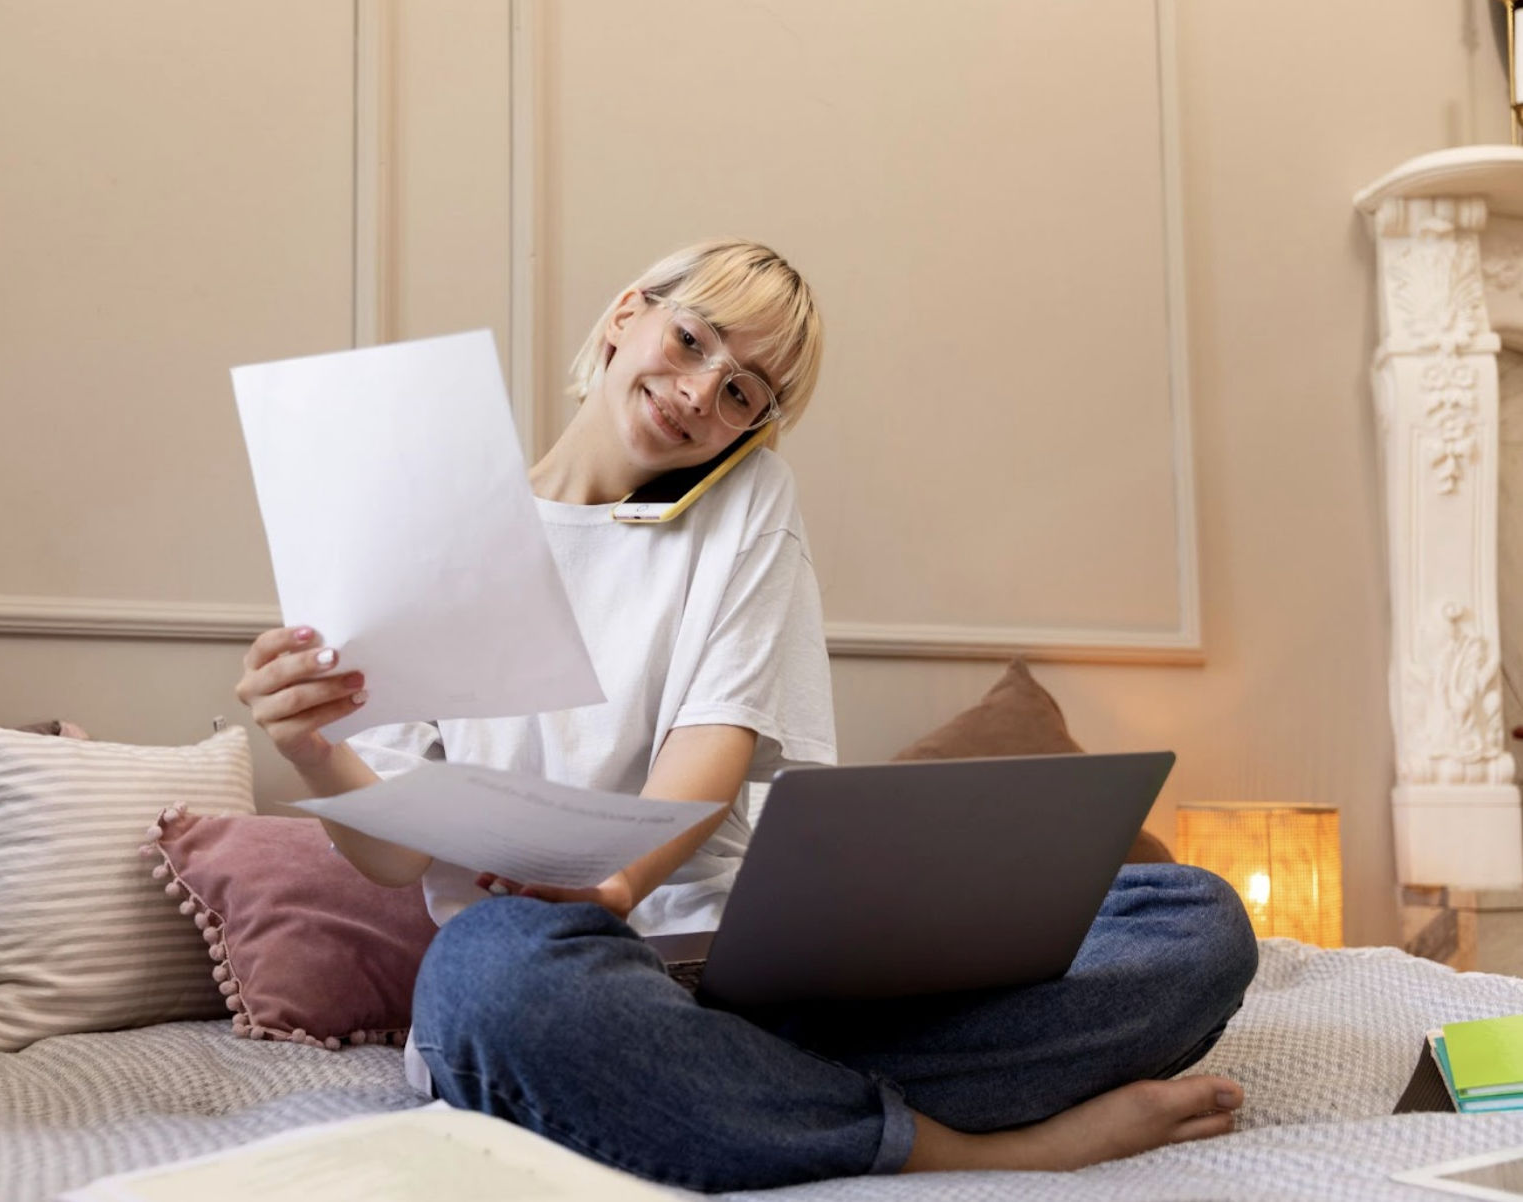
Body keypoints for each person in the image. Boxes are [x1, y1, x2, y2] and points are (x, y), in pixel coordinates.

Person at [235, 238, 1259, 1192]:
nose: (695, 393)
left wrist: (616, 882)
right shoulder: (423, 518)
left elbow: (707, 753)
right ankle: (972, 1145)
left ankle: (715, 1099)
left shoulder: (744, 503)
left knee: (1193, 922)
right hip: (557, 983)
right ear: (624, 317)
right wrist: (312, 751)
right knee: (488, 981)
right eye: (688, 341)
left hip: (738, 975)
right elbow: (393, 861)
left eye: (739, 393)